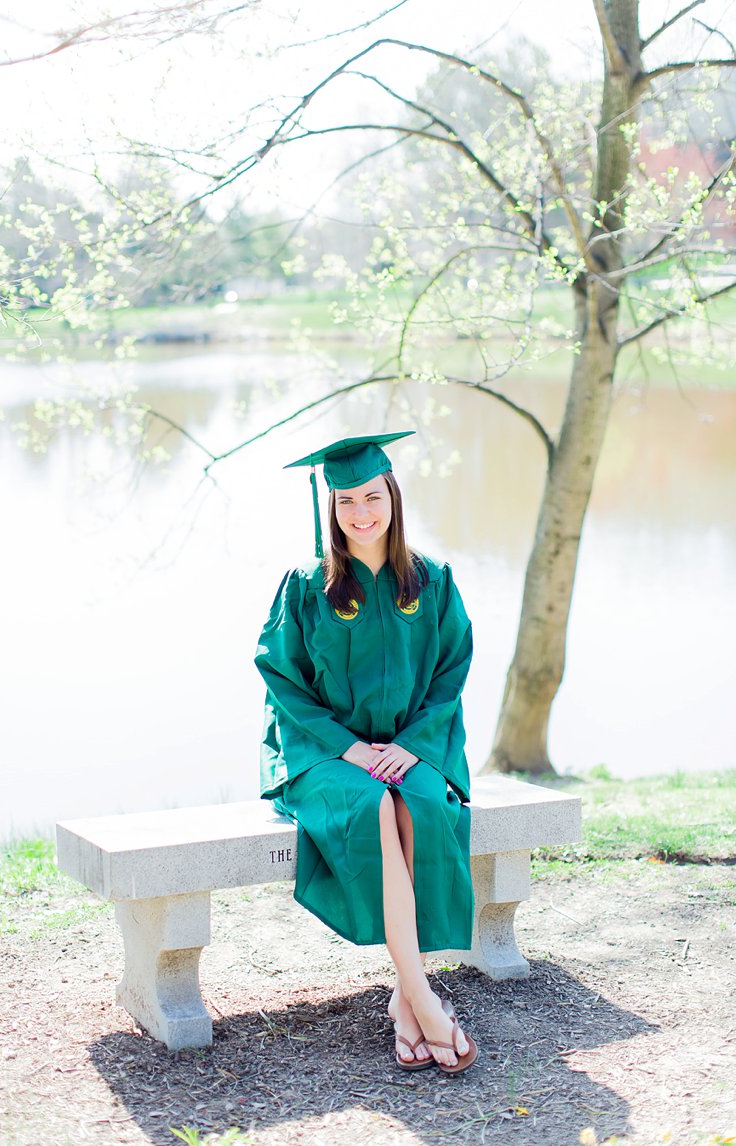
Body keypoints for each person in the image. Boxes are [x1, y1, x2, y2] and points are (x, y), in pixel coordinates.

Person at [255, 430, 478, 1073]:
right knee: (374, 809)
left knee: (420, 809)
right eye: (345, 499)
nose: (360, 511)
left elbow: (451, 672)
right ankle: (425, 1002)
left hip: (412, 747)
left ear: (392, 497)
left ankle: (405, 1002)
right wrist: (350, 749)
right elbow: (282, 680)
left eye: (371, 495)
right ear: (331, 509)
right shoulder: (306, 586)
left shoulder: (431, 581)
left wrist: (409, 747)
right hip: (320, 752)